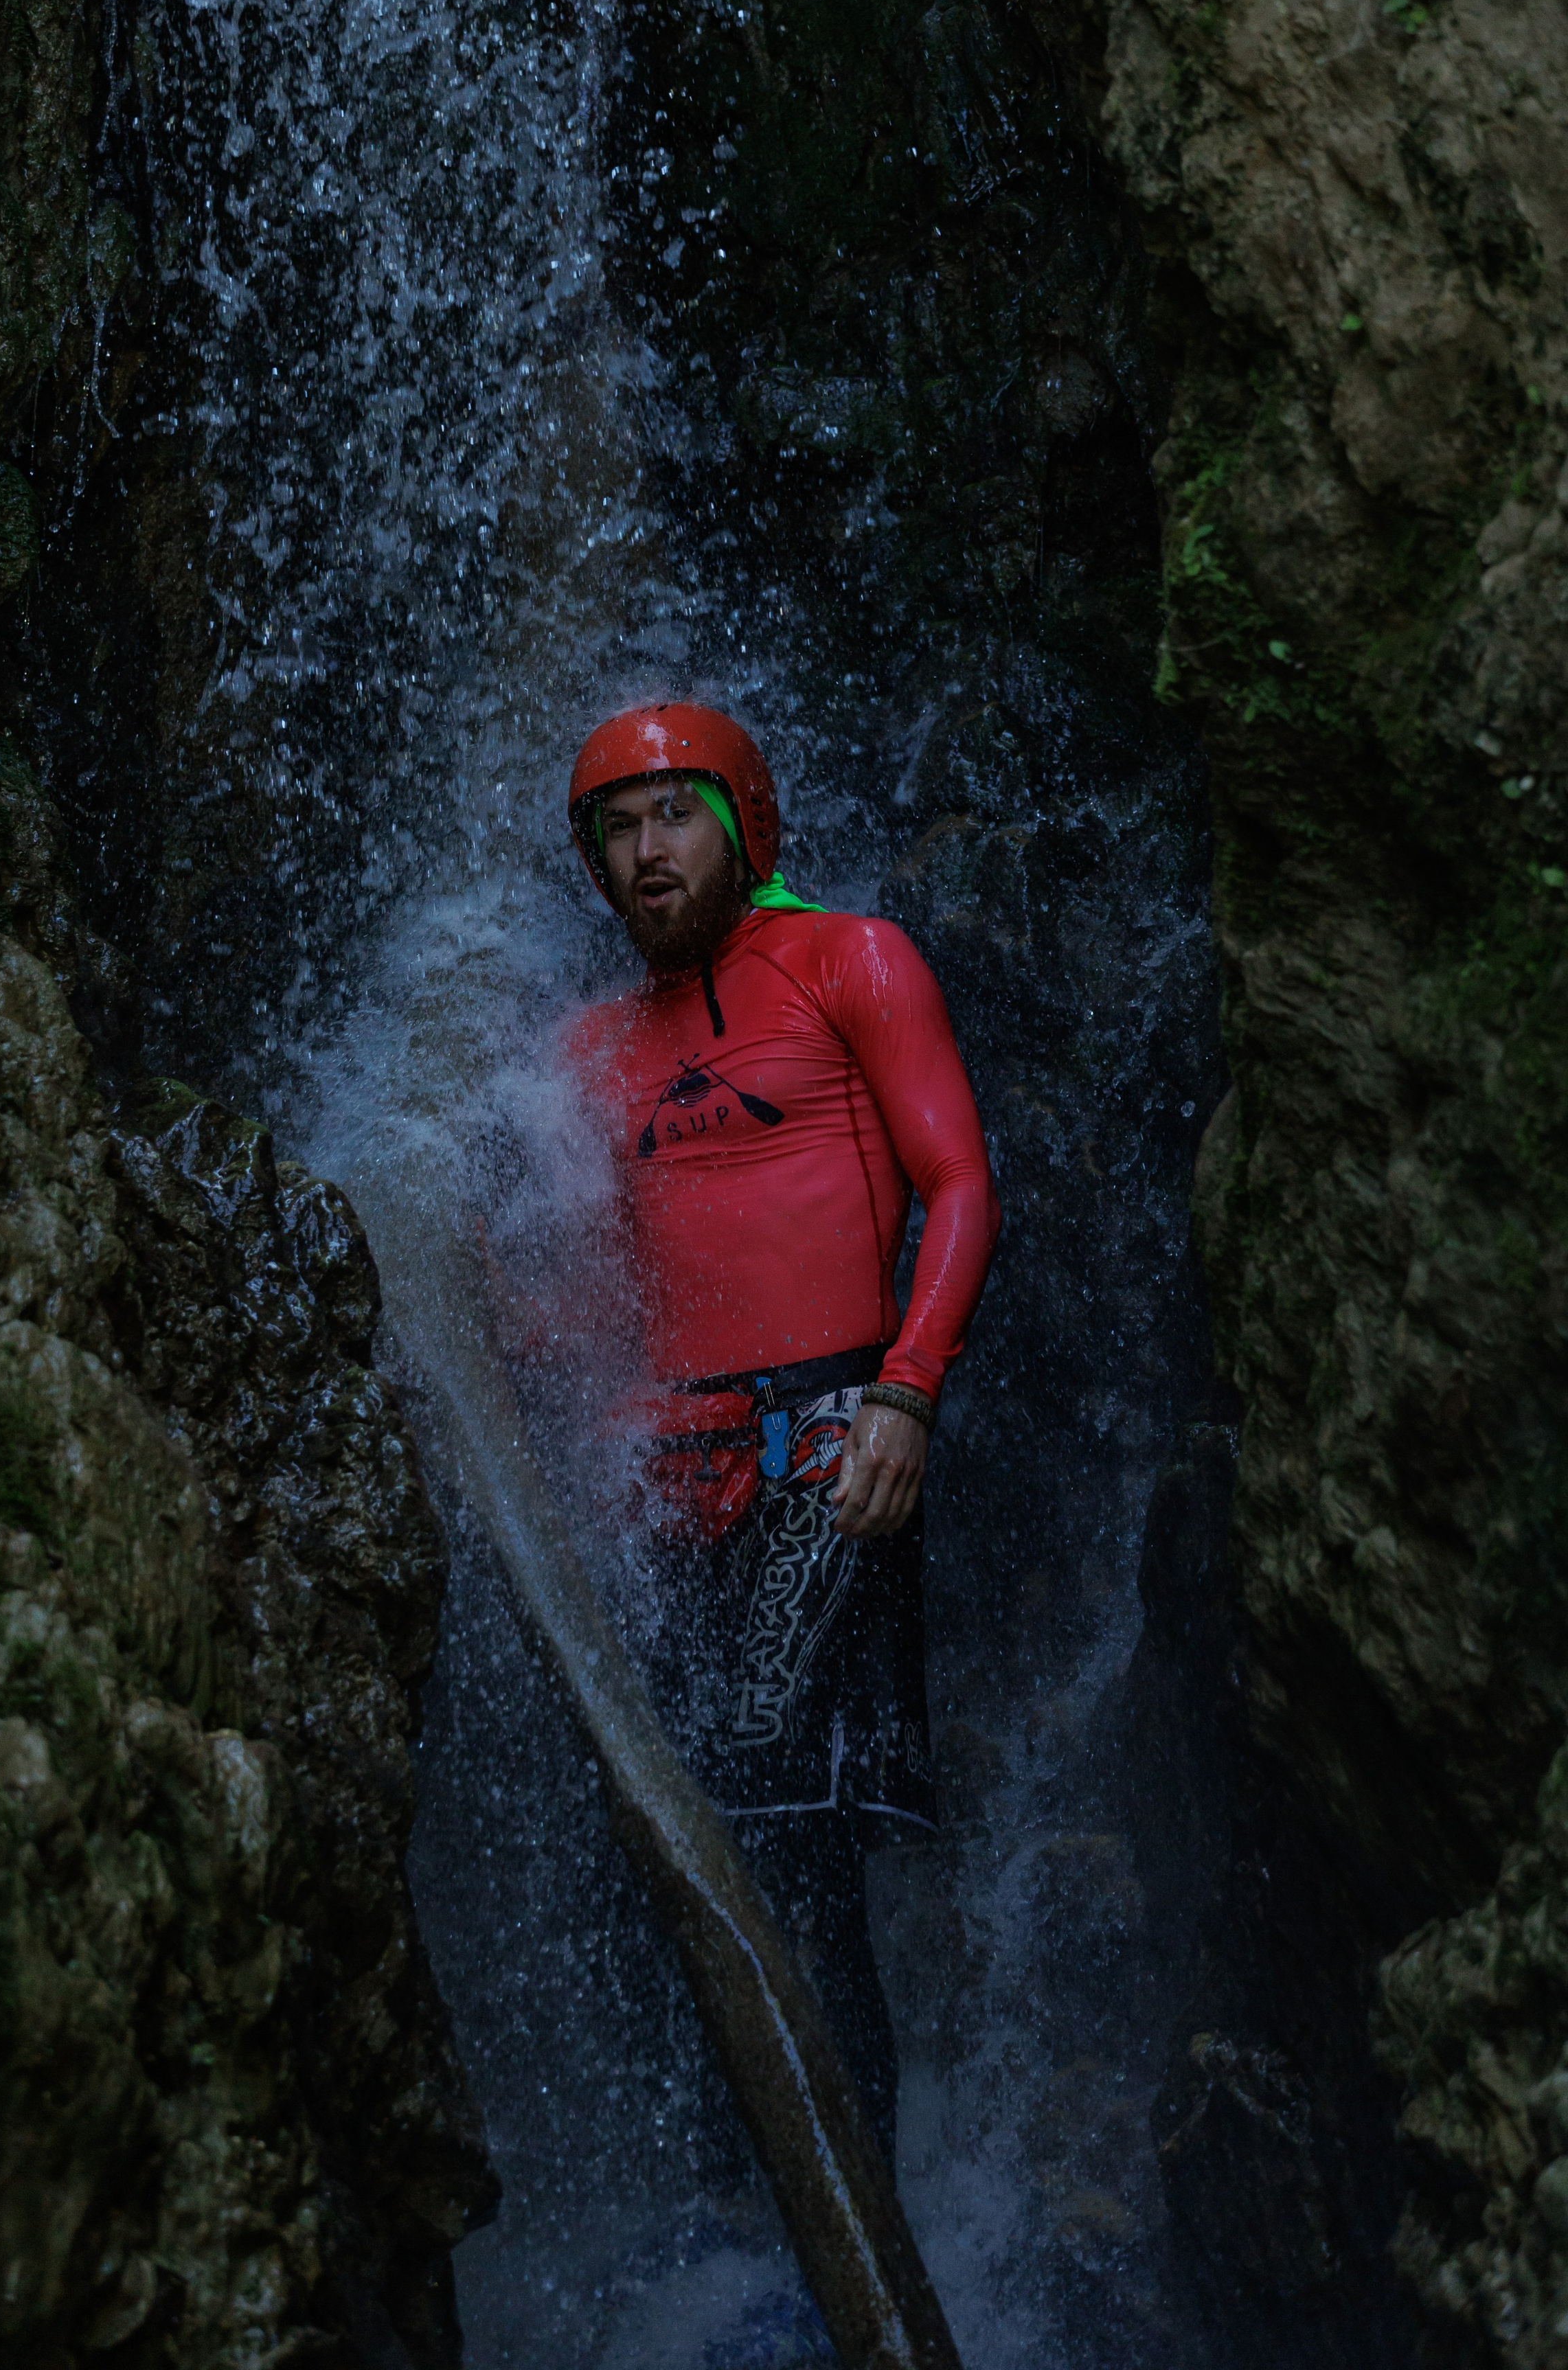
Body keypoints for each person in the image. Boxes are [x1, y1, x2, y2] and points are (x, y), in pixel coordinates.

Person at [543, 699, 1000, 2167]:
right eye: (614, 830)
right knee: (655, 1833)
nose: (643, 850)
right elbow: (568, 1302)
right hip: (659, 1467)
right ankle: (721, 2201)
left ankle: (853, 2202)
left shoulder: (846, 959)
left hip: (831, 1440)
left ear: (743, 826)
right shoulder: (581, 1054)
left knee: (775, 1815)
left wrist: (908, 1390)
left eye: (672, 814)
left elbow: (958, 1184)